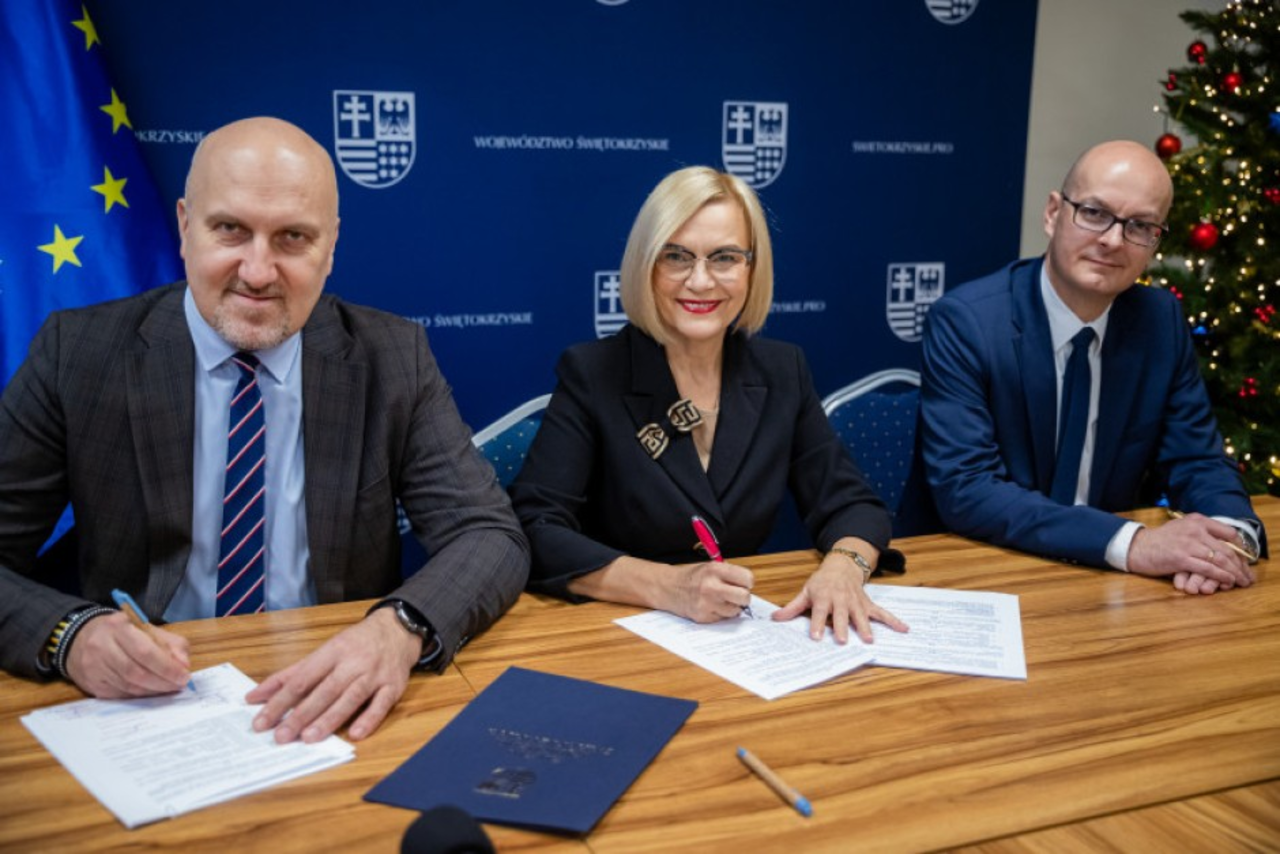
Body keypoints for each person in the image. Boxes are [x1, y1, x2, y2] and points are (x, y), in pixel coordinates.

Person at [0, 117, 528, 742]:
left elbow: (487, 534)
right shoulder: (78, 353)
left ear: (330, 247)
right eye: (230, 229)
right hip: (145, 706)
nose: (257, 271)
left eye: (292, 238)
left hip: (332, 694)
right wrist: (69, 636)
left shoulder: (393, 357)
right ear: (184, 227)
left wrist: (398, 628)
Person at [510, 166, 907, 643]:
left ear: (751, 269)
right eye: (676, 257)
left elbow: (852, 504)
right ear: (646, 265)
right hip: (618, 633)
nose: (700, 281)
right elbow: (534, 528)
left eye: (724, 258)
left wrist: (844, 568)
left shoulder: (783, 370)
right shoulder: (593, 373)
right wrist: (667, 586)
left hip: (742, 634)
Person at [920, 140, 1265, 594]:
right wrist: (1133, 543)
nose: (1112, 240)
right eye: (1095, 213)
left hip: (1108, 588)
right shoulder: (969, 322)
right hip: (990, 571)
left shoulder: (1159, 320)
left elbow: (1197, 459)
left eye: (1139, 225)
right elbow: (968, 489)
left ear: (1156, 241)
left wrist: (1228, 539)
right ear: (1053, 213)